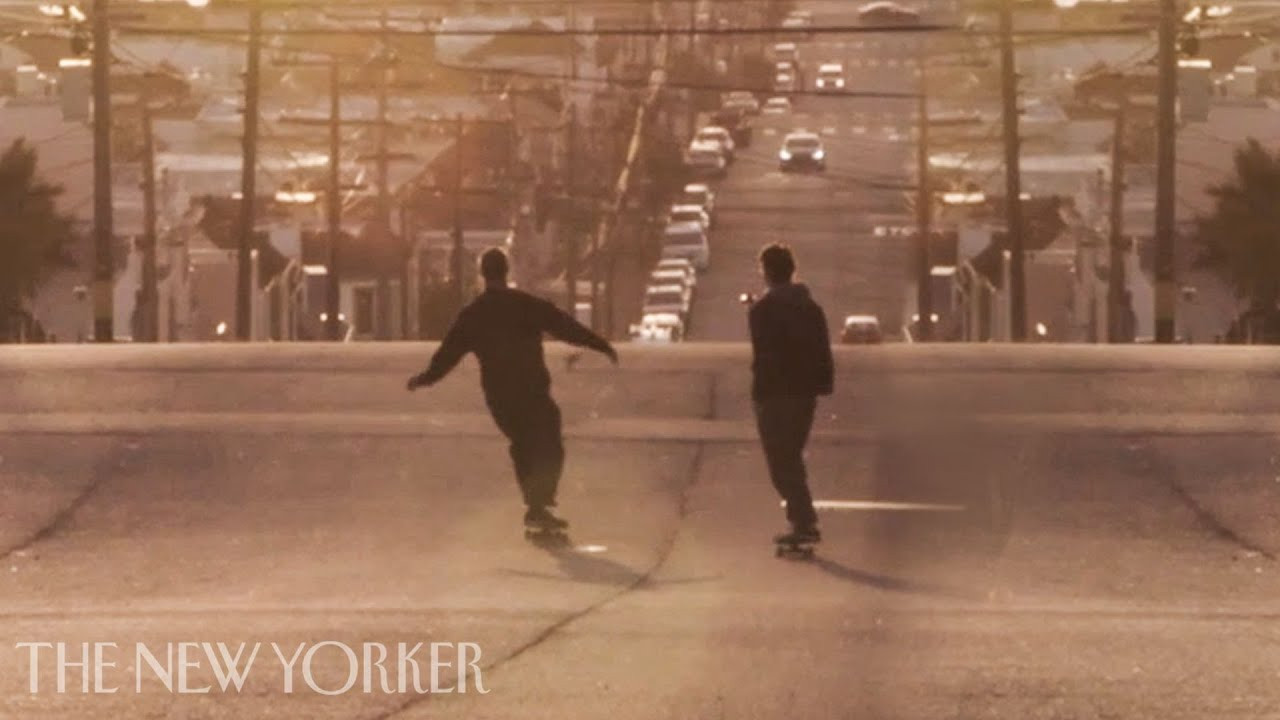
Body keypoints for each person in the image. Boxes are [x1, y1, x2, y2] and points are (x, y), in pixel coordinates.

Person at [406, 248, 618, 531]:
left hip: (499, 397)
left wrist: (425, 378)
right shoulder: (525, 305)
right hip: (532, 391)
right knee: (548, 443)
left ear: (483, 274)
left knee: (523, 443)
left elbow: (448, 354)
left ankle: (536, 506)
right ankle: (539, 504)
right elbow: (565, 326)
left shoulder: (473, 314)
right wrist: (600, 344)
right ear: (507, 271)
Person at [747, 243, 834, 545]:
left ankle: (804, 520)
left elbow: (763, 358)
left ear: (767, 272)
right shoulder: (811, 308)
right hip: (804, 393)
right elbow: (823, 349)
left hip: (775, 395)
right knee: (791, 456)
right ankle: (802, 519)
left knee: (781, 460)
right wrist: (823, 384)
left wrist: (759, 393)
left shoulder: (762, 311)